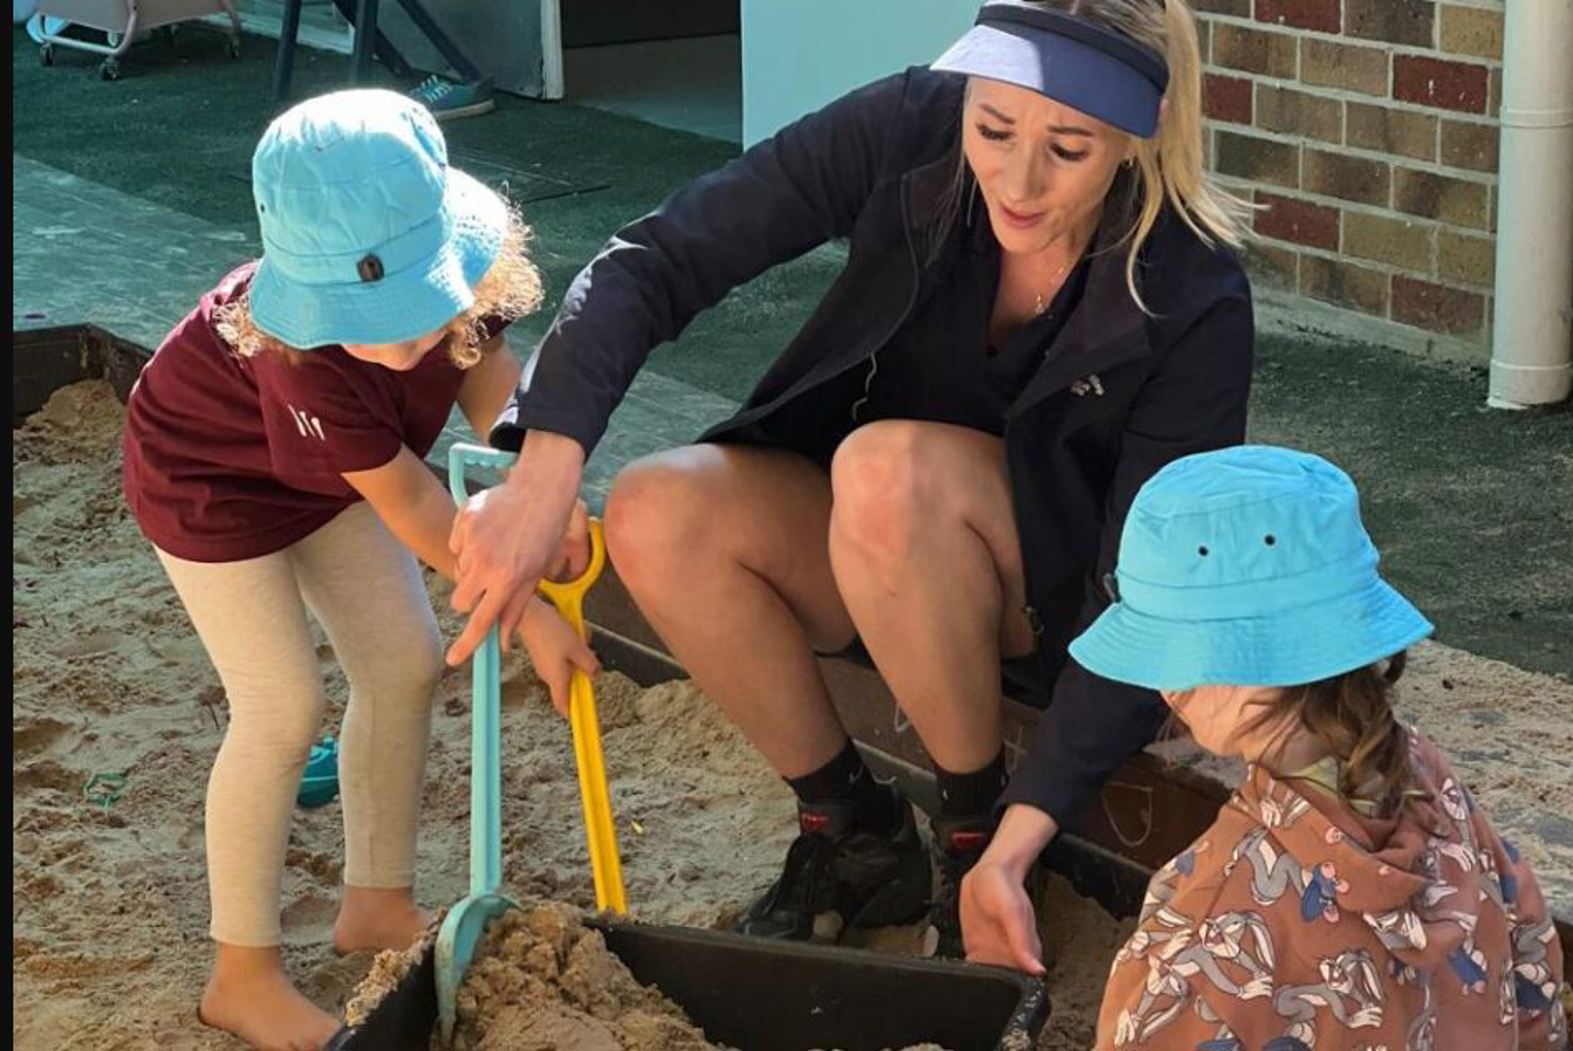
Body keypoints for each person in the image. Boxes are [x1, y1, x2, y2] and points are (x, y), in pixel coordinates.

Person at [447, 0, 1253, 955]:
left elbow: (1153, 601)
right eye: (993, 127)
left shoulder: (1195, 292)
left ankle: (973, 835)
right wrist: (544, 464)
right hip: (872, 554)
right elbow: (657, 258)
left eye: (1068, 148)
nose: (1018, 179)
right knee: (657, 506)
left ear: (1136, 133)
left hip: (1049, 606)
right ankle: (856, 833)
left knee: (888, 468)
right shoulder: (911, 124)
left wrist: (1020, 837)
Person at [120, 89, 593, 1050]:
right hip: (208, 482)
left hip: (334, 477)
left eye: (418, 304)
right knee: (282, 704)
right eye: (369, 317)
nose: (403, 339)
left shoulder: (469, 286)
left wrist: (547, 492)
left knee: (404, 661)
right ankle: (240, 975)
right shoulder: (302, 357)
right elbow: (418, 508)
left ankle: (375, 904)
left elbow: (497, 398)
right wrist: (528, 606)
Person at [978, 444, 1566, 1049]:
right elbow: (1533, 976)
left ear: (1236, 666)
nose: (1164, 687)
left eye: (1170, 655)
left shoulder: (1209, 928)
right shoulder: (1432, 783)